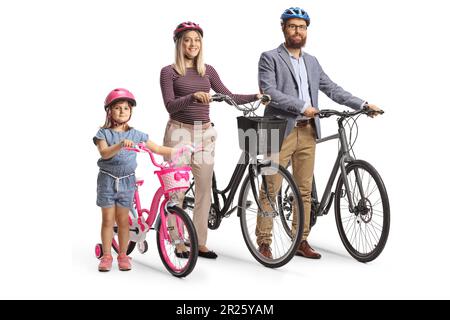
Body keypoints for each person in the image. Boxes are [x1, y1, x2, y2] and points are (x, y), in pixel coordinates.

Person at [256, 7, 382, 259]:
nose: (297, 31)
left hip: (308, 131)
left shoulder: (312, 61)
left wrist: (362, 104)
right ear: (283, 28)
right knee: (271, 187)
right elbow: (270, 91)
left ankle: (300, 240)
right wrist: (303, 106)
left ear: (306, 30)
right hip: (278, 129)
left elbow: (332, 88)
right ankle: (264, 242)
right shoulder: (269, 57)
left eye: (302, 27)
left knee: (303, 190)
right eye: (292, 26)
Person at [160, 21, 264, 259]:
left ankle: (199, 242)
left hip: (205, 134)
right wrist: (192, 97)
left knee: (204, 190)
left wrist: (255, 96)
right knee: (176, 190)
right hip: (179, 133)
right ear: (178, 43)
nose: (192, 44)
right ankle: (177, 242)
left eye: (196, 40)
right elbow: (169, 104)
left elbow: (229, 96)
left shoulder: (208, 70)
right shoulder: (169, 72)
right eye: (187, 40)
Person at [94, 88, 174, 271]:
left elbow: (158, 149)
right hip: (107, 180)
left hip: (127, 180)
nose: (122, 111)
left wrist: (179, 150)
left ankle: (123, 254)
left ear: (131, 111)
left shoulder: (136, 134)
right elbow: (104, 153)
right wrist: (121, 144)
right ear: (109, 111)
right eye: (117, 108)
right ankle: (107, 256)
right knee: (108, 220)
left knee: (123, 220)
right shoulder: (103, 134)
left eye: (126, 108)